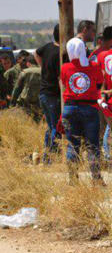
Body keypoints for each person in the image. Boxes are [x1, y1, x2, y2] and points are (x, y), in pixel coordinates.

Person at [60, 37, 105, 184]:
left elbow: (64, 83)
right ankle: (96, 178)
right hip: (90, 108)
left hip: (69, 108)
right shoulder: (94, 65)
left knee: (73, 144)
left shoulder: (65, 67)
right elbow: (99, 85)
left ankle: (73, 179)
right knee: (92, 145)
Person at [34, 24, 62, 158]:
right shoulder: (59, 53)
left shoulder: (48, 47)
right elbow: (60, 78)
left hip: (44, 93)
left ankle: (48, 153)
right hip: (52, 94)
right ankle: (50, 157)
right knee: (56, 126)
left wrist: (43, 67)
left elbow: (36, 53)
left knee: (51, 125)